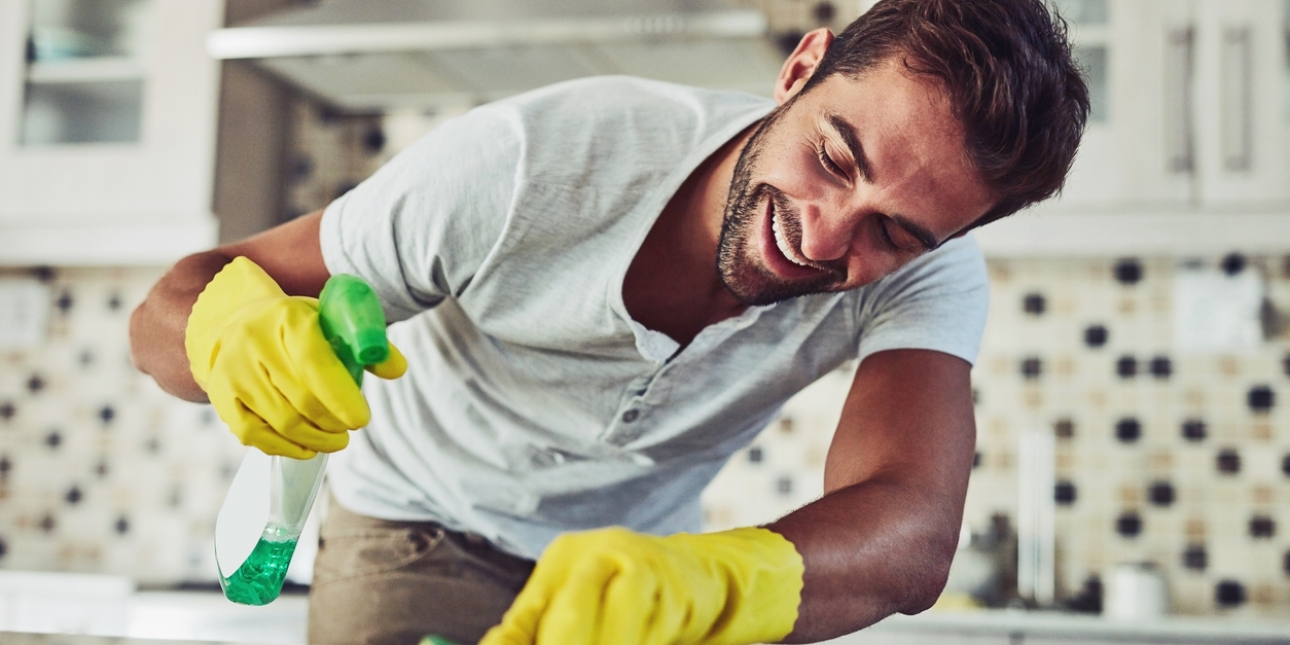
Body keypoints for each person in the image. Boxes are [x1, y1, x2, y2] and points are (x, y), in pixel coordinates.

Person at [131, 1, 1088, 643]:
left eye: (894, 230)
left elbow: (911, 532)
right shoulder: (526, 161)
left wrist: (705, 587)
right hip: (415, 527)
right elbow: (168, 311)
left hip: (637, 579)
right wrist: (224, 336)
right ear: (800, 70)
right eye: (834, 158)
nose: (827, 232)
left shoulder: (931, 275)